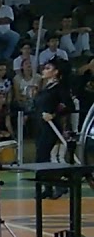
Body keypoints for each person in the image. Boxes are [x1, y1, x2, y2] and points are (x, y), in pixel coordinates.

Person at [34, 59, 71, 199]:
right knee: (41, 157)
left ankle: (59, 184)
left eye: (48, 68)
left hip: (51, 126)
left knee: (42, 156)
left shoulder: (60, 88)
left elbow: (67, 106)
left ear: (55, 72)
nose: (44, 70)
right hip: (40, 126)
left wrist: (54, 114)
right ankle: (48, 187)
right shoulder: (45, 87)